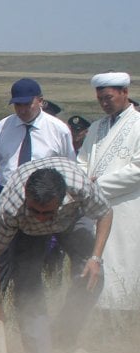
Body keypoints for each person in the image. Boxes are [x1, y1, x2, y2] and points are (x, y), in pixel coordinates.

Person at [0, 159, 111, 353]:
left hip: (71, 219)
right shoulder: (10, 207)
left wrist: (95, 258)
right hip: (28, 231)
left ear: (63, 199)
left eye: (47, 212)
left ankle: (63, 338)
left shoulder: (80, 187)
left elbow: (105, 212)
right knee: (27, 287)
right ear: (26, 196)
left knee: (94, 276)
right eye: (36, 211)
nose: (42, 218)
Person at [77, 71, 140, 312]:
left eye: (109, 97)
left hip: (126, 206)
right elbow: (82, 161)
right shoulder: (96, 127)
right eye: (100, 99)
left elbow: (137, 169)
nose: (104, 103)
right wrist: (82, 183)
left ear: (125, 93)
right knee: (95, 262)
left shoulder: (138, 125)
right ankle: (95, 317)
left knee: (123, 263)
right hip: (94, 208)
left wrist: (97, 185)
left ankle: (125, 316)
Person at [0, 79, 74, 189]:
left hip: (44, 195)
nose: (22, 110)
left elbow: (69, 167)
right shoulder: (3, 126)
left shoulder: (59, 130)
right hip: (7, 192)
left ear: (40, 101)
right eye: (18, 105)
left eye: (27, 104)